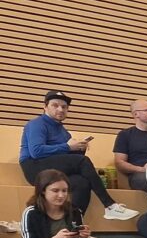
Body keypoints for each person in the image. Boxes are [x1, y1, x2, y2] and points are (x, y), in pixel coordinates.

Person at [18, 91, 139, 221]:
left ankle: (74, 224)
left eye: (64, 107)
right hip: (34, 166)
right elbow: (36, 151)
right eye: (55, 105)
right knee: (83, 161)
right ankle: (110, 205)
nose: (60, 109)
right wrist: (68, 147)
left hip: (52, 167)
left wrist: (79, 149)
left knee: (82, 183)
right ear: (45, 107)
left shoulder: (63, 131)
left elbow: (67, 158)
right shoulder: (37, 124)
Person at [113, 99, 147, 194]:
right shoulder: (125, 135)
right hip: (140, 174)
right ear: (136, 114)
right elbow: (119, 163)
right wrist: (143, 169)